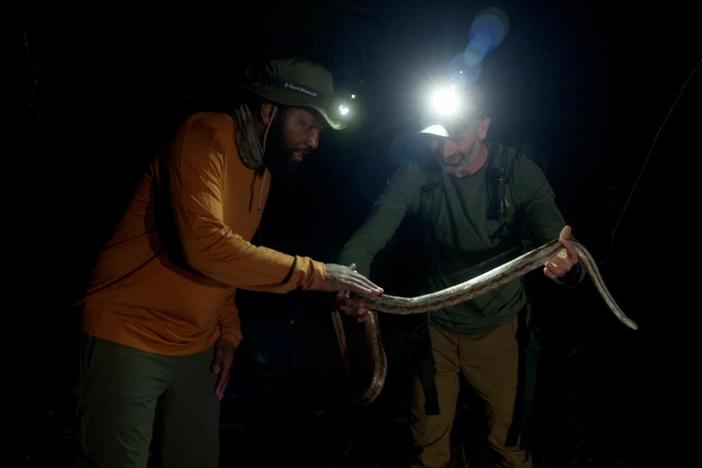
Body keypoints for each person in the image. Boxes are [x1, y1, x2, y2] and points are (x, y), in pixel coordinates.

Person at [77, 57, 382, 468]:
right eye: (307, 124)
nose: (314, 141)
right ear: (269, 111)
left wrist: (228, 334)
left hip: (197, 346)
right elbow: (205, 247)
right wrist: (317, 273)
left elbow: (230, 261)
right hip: (128, 332)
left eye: (319, 131)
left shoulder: (262, 173)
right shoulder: (202, 137)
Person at [337, 82, 582, 467]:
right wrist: (349, 278)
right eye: (435, 139)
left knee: (510, 445)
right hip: (436, 333)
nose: (444, 150)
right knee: (427, 444)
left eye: (455, 136)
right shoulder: (417, 172)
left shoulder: (520, 173)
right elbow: (371, 232)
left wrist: (564, 261)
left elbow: (556, 239)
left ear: (483, 126)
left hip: (500, 333)